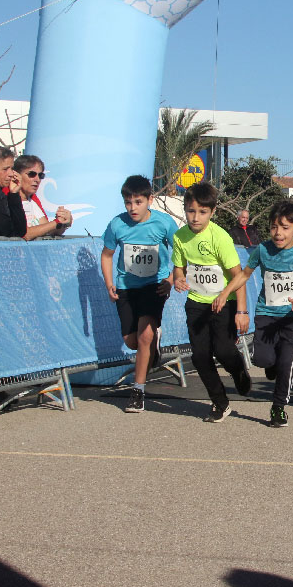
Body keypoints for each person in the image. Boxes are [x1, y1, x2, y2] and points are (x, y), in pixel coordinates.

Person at [214, 200, 293, 427]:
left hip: (292, 319)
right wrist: (225, 292)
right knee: (263, 359)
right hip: (266, 315)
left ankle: (278, 407)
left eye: (285, 228)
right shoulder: (262, 250)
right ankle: (271, 363)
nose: (278, 233)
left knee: (287, 365)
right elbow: (244, 275)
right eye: (274, 227)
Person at [172, 182, 252, 423]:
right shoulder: (180, 237)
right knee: (199, 356)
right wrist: (178, 279)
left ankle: (238, 369)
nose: (195, 217)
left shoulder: (220, 237)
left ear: (213, 211)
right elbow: (179, 268)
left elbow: (239, 276)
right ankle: (220, 402)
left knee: (224, 350)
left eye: (202, 212)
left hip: (224, 303)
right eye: (191, 211)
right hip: (196, 303)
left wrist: (241, 311)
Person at [101, 175, 178, 414]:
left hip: (155, 285)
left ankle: (138, 391)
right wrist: (109, 283)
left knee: (144, 335)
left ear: (149, 200)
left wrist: (171, 280)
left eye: (138, 202)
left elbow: (181, 253)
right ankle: (154, 339)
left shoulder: (164, 223)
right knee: (132, 341)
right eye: (128, 202)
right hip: (126, 287)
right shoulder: (117, 224)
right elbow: (107, 255)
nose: (132, 208)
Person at [13, 154, 73, 240]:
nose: (37, 179)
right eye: (32, 174)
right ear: (16, 175)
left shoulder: (32, 200)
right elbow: (24, 234)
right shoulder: (7, 199)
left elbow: (48, 231)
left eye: (40, 175)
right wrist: (56, 222)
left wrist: (64, 223)